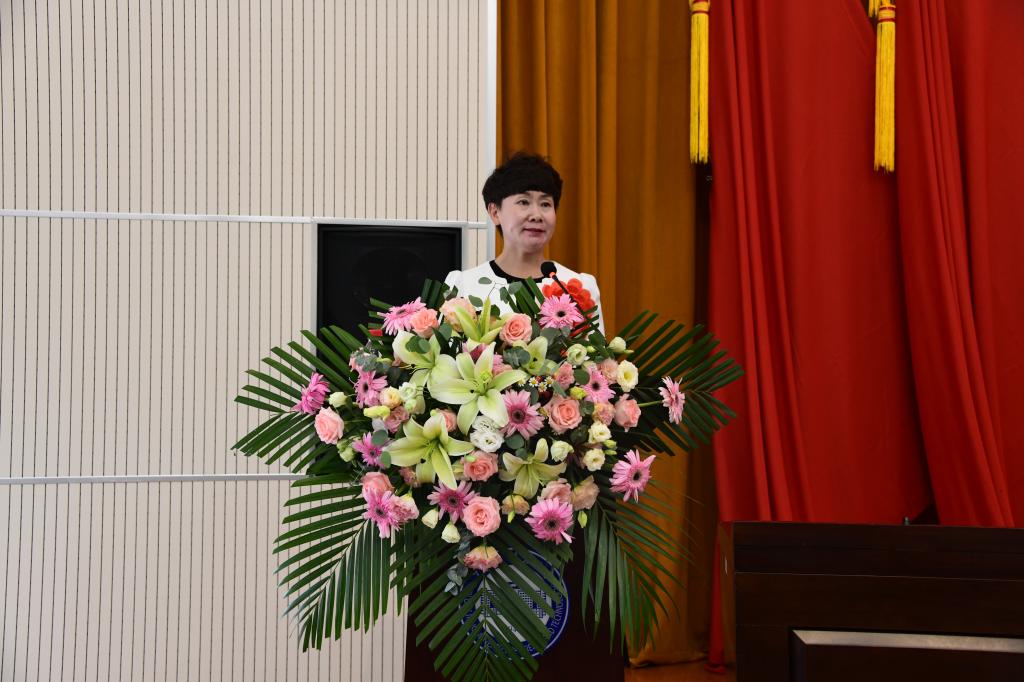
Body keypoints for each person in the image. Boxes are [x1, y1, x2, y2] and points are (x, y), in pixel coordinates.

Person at [445, 152, 605, 335]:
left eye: (545, 204)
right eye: (524, 202)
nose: (536, 215)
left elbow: (595, 353)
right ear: (495, 212)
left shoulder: (579, 287)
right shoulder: (463, 285)